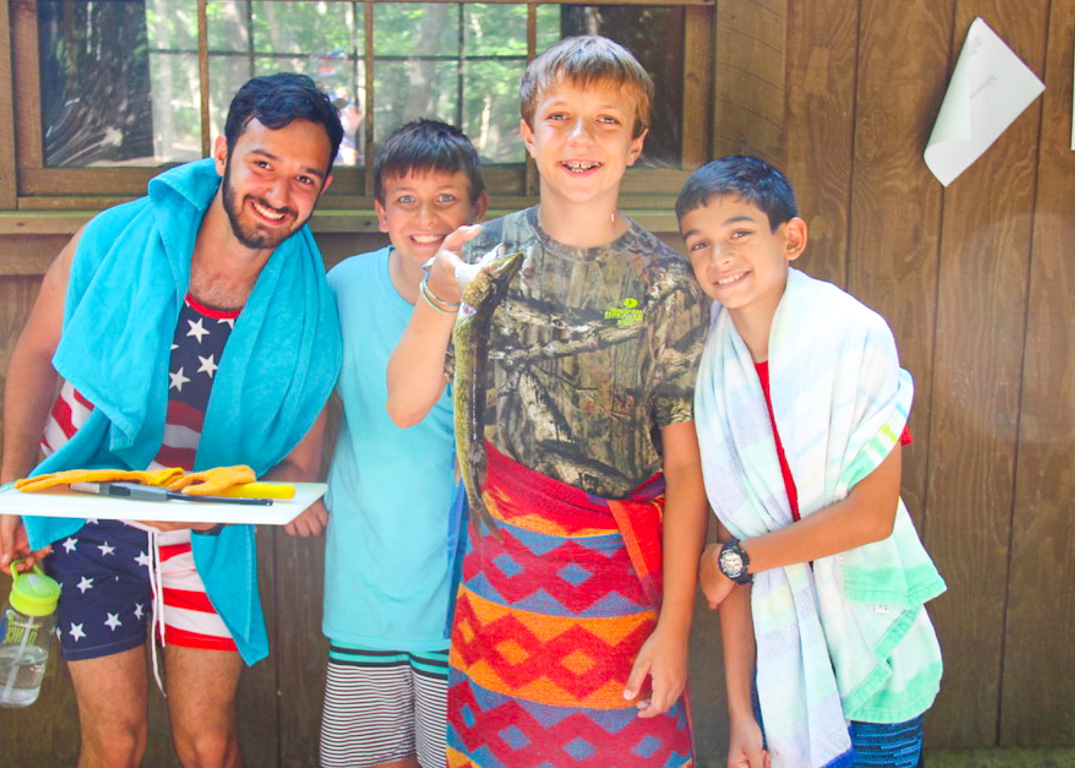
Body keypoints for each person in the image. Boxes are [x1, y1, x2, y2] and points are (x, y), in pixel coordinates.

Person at [0, 73, 344, 768]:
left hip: (204, 535)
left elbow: (301, 467)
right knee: (114, 743)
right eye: (262, 164)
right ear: (222, 153)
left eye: (305, 177)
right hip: (84, 515)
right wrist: (13, 486)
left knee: (209, 746)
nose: (279, 194)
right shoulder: (116, 239)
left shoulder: (310, 310)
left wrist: (226, 511)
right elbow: (37, 354)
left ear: (325, 188)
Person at [387, 36, 709, 768]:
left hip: (626, 592)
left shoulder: (667, 285)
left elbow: (686, 471)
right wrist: (441, 293)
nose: (580, 139)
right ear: (529, 135)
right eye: (560, 117)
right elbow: (405, 404)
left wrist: (676, 629)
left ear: (635, 144)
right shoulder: (477, 257)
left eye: (606, 121)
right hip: (501, 580)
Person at [677, 155, 945, 768]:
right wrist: (743, 716)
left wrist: (741, 559)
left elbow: (870, 517)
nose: (720, 259)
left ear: (790, 238)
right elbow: (730, 551)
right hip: (780, 674)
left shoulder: (853, 337)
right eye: (700, 245)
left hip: (875, 666)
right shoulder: (711, 366)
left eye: (740, 233)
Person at [319, 119, 488, 768]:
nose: (427, 217)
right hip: (368, 574)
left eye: (446, 198)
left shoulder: (497, 293)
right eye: (407, 200)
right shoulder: (344, 287)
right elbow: (306, 400)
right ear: (381, 213)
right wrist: (296, 483)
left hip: (467, 585)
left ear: (477, 209)